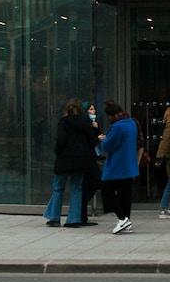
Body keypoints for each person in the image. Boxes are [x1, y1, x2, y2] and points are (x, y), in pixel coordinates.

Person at [45, 99, 97, 227]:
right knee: (76, 189)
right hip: (80, 160)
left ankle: (54, 218)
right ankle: (73, 219)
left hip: (64, 159)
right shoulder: (86, 122)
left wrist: (58, 152)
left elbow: (60, 141)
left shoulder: (64, 122)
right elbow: (92, 141)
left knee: (58, 188)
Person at [97, 102, 140, 234]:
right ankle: (126, 220)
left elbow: (108, 146)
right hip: (129, 165)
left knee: (107, 192)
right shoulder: (132, 123)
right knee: (125, 194)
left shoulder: (117, 127)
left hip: (117, 165)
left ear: (112, 115)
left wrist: (103, 139)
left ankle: (122, 219)